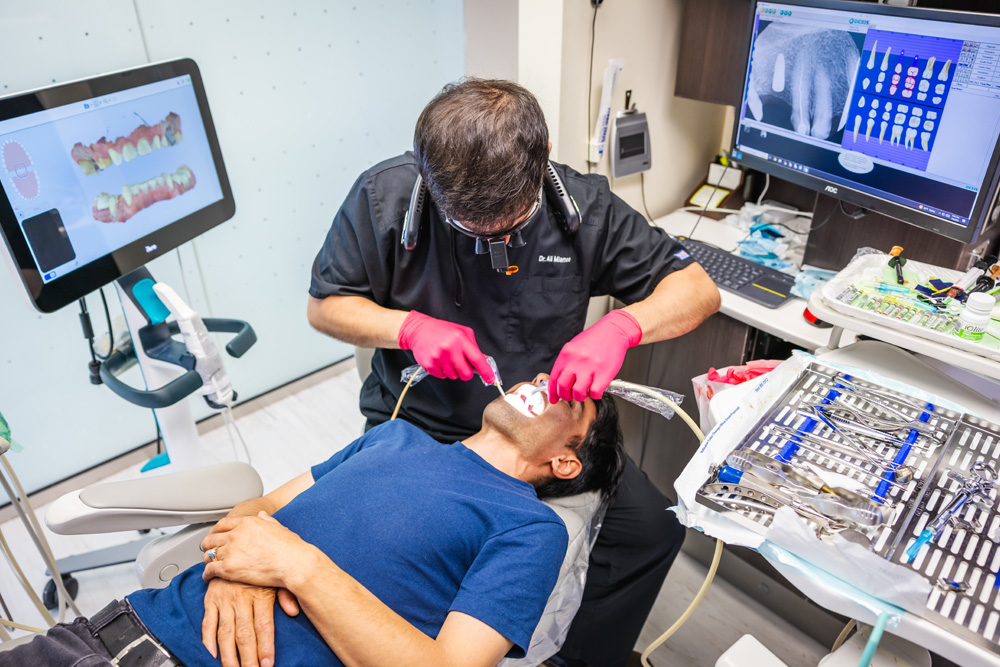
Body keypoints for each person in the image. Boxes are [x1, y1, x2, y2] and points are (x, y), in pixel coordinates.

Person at [307, 78, 720, 666]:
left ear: (539, 168)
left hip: (542, 433)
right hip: (424, 428)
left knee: (651, 531)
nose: (490, 241)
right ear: (430, 180)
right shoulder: (381, 199)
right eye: (469, 228)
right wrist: (409, 330)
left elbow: (698, 290)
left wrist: (620, 328)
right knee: (416, 556)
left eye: (506, 228)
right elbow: (325, 306)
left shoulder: (584, 207)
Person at [0, 376, 625, 667]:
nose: (546, 379)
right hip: (111, 634)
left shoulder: (530, 528)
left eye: (572, 397)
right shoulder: (394, 438)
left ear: (566, 460)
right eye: (549, 371)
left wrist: (295, 565)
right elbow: (256, 511)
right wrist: (237, 572)